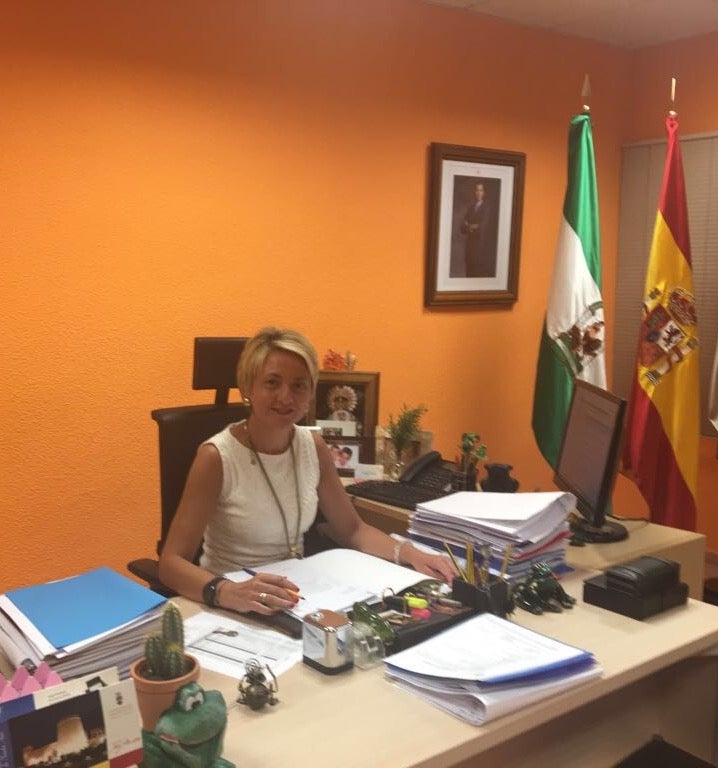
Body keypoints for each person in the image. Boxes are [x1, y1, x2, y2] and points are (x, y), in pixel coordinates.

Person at [158, 326, 456, 618]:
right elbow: (171, 563)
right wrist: (226, 591)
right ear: (248, 388)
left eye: (298, 385)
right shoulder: (217, 457)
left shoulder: (312, 446)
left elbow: (352, 529)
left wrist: (411, 554)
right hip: (233, 603)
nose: (286, 397)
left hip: (296, 598)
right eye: (272, 383)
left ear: (312, 392)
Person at [460, 181, 495, 277]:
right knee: (469, 275)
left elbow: (482, 228)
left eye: (481, 190)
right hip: (470, 249)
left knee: (477, 276)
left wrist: (469, 225)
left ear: (484, 193)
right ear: (474, 192)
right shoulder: (470, 208)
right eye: (477, 190)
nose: (478, 193)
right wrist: (472, 226)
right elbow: (462, 228)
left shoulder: (487, 208)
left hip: (480, 249)